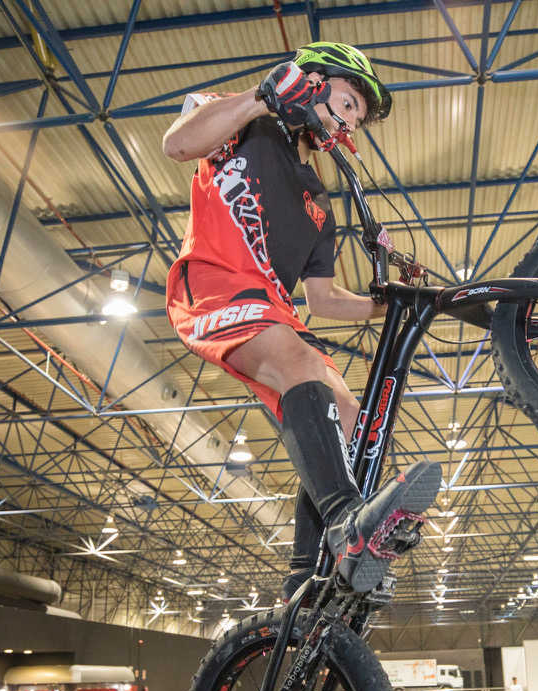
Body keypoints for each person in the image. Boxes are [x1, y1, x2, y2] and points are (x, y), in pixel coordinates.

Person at [162, 42, 439, 604]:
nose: (351, 120)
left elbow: (323, 299)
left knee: (355, 423)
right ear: (313, 80)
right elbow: (178, 144)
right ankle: (345, 523)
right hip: (214, 286)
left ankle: (306, 577)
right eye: (349, 102)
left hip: (275, 310)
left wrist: (389, 303)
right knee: (302, 364)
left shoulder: (318, 198)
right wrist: (262, 96)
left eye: (359, 116)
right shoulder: (243, 120)